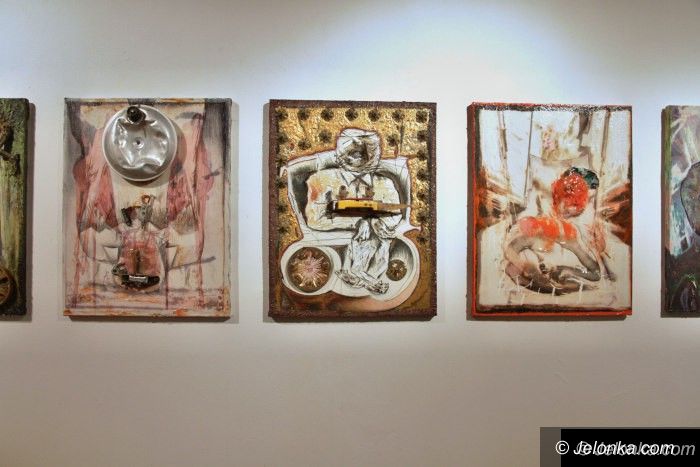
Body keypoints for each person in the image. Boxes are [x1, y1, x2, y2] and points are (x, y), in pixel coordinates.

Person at [303, 129, 402, 294]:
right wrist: (357, 222)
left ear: (371, 156)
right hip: (328, 248)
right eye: (352, 153)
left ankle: (360, 276)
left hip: (376, 242)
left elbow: (396, 214)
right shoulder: (321, 179)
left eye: (362, 153)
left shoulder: (385, 183)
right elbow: (314, 219)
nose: (357, 158)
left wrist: (372, 222)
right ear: (342, 154)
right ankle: (367, 279)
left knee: (379, 236)